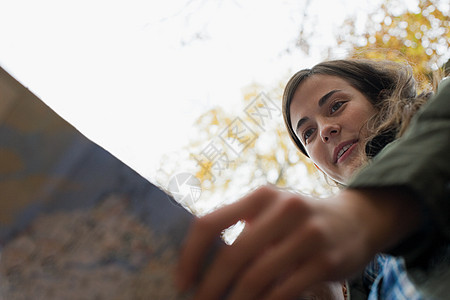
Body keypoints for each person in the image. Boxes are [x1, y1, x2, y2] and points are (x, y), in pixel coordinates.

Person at [175, 59, 450, 300]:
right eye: (308, 133)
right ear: (318, 166)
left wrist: (366, 211)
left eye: (336, 106)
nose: (325, 131)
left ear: (382, 98)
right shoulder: (355, 269)